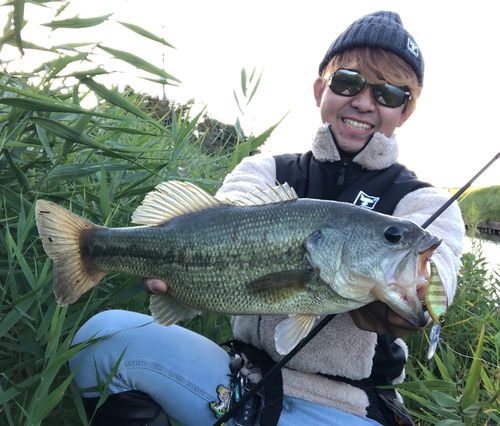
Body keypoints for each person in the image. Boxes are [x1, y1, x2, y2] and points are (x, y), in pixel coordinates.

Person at [69, 11, 464, 426]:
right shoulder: (266, 169)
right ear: (320, 89)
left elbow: (439, 277)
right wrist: (181, 272)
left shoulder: (422, 202)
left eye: (388, 93)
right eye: (348, 81)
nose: (365, 102)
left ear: (406, 110)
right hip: (239, 379)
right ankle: (89, 248)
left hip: (348, 407)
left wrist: (420, 300)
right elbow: (225, 219)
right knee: (105, 338)